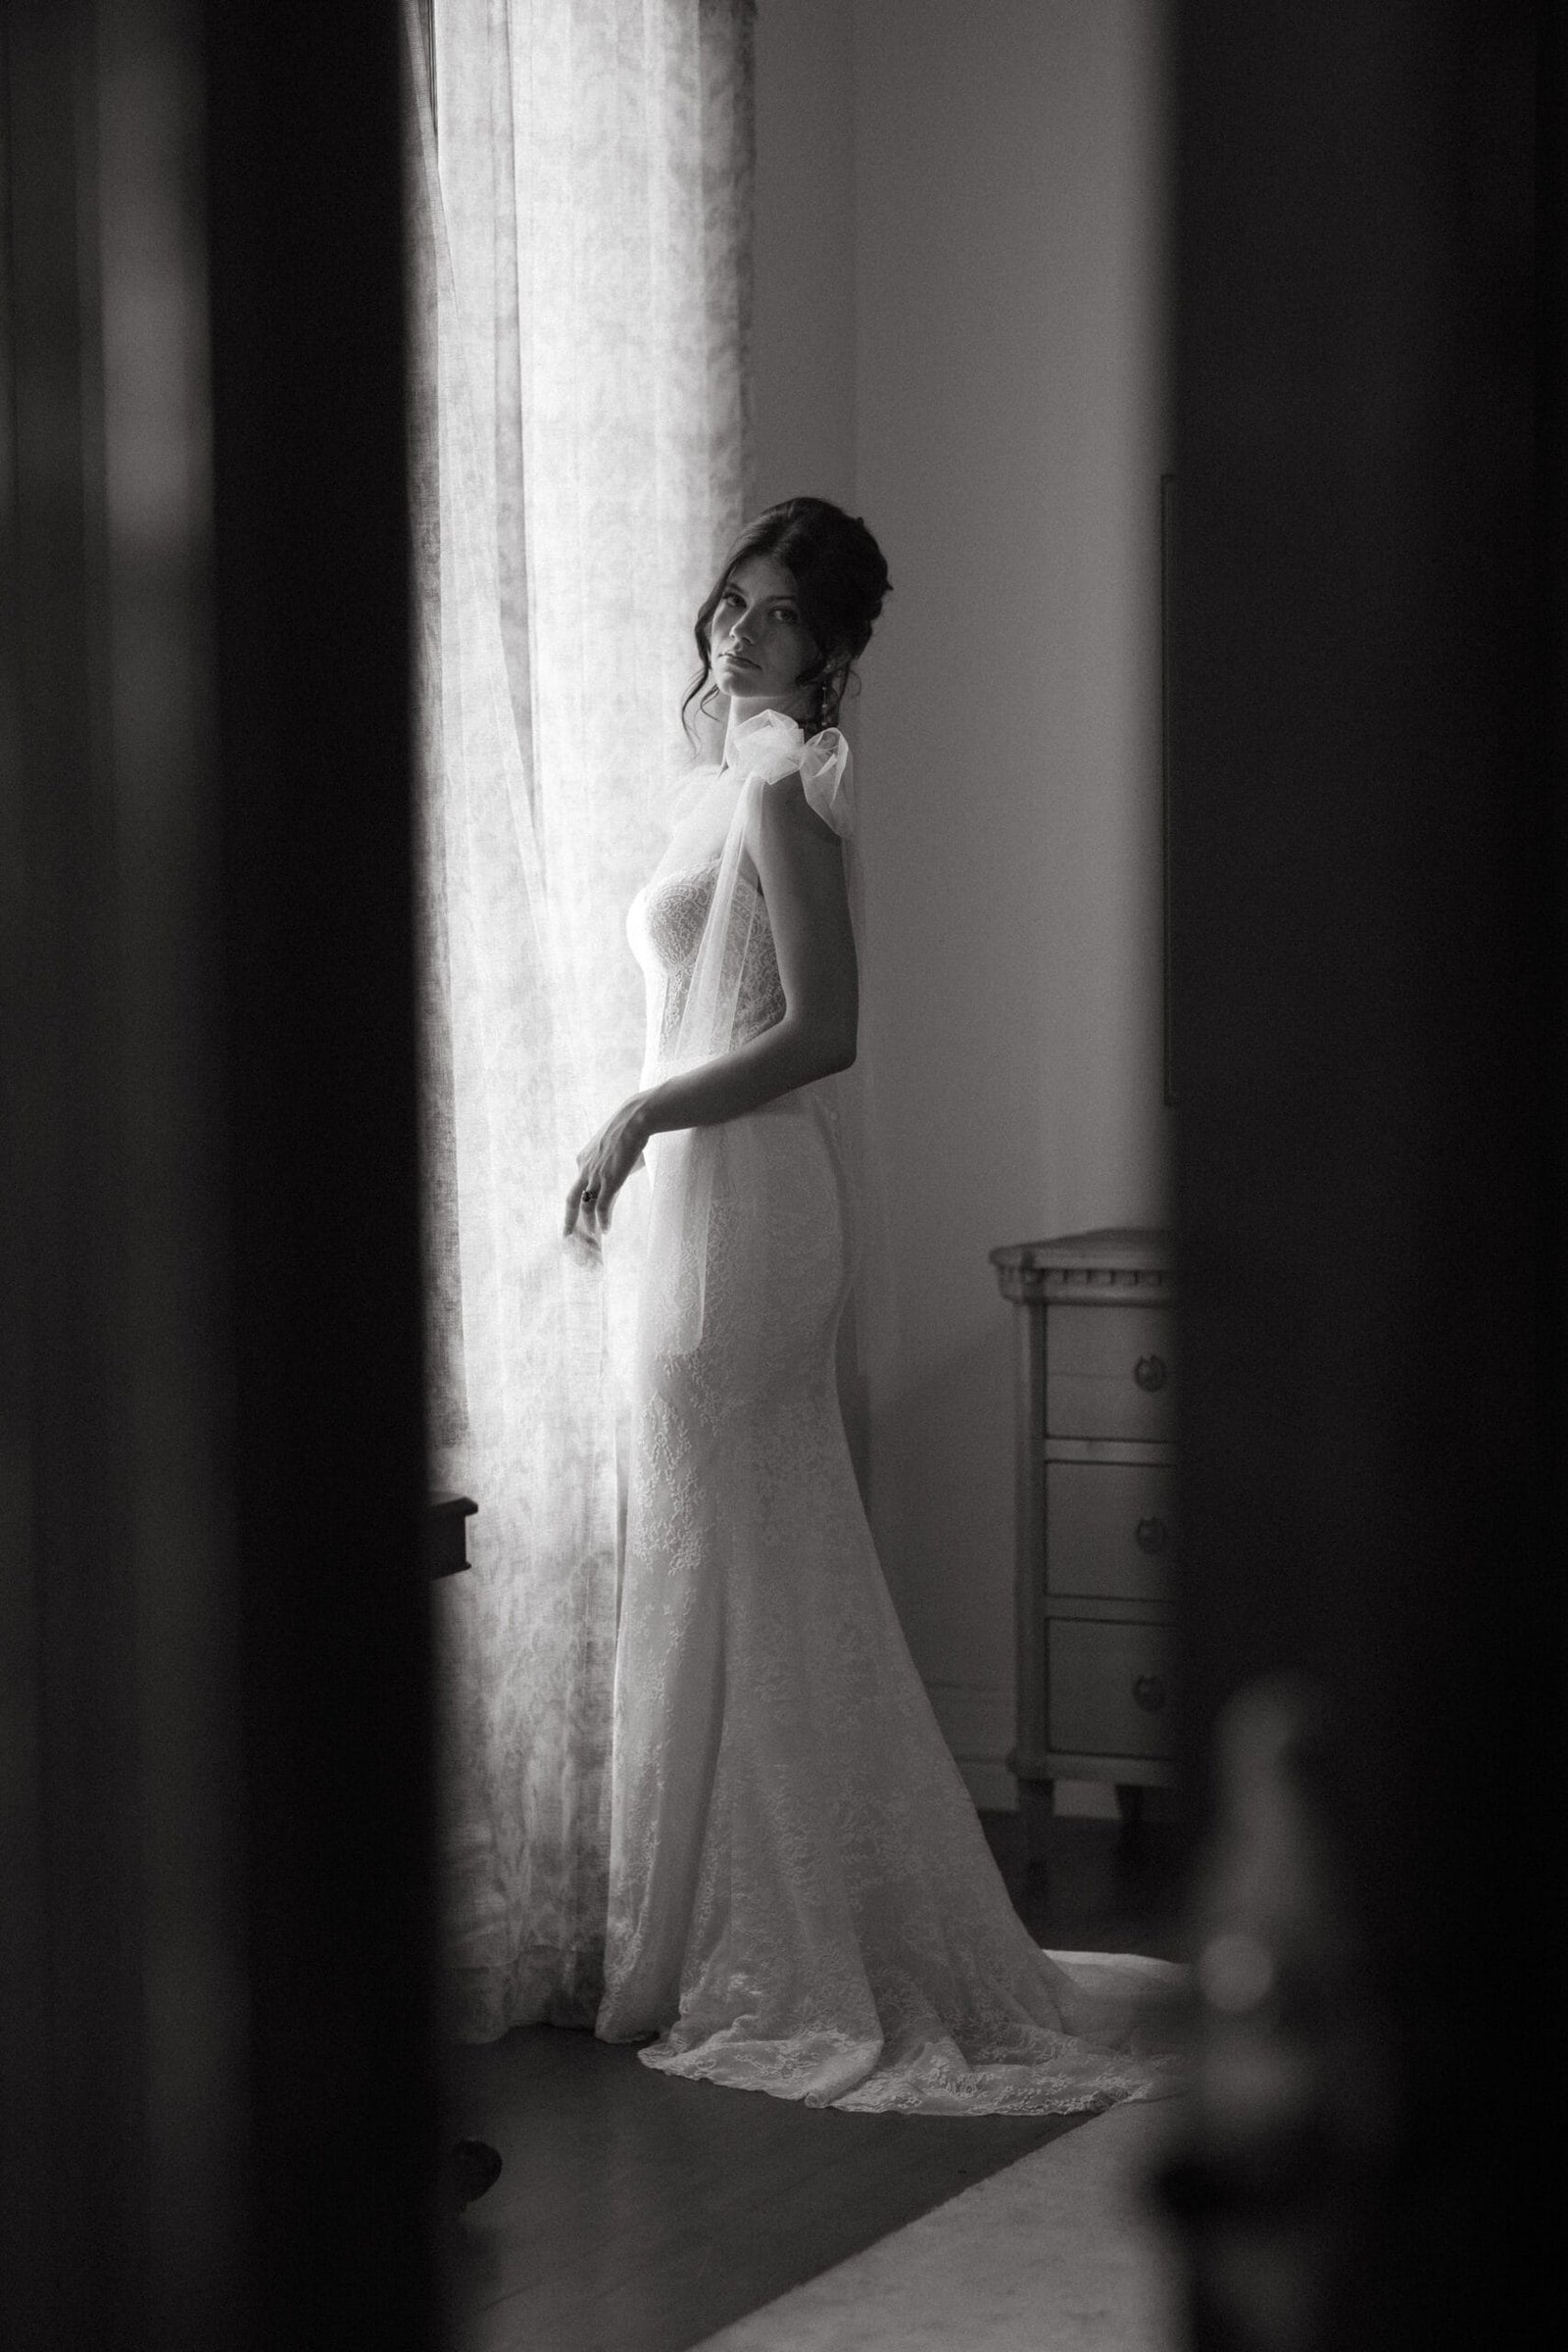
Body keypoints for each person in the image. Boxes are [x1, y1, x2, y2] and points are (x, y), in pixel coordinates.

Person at [565, 497, 1183, 2113]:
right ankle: (690, 1931)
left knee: (746, 1535)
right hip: (704, 1195)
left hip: (751, 1202)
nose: (740, 630)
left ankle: (789, 1942)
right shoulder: (719, 786)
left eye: (777, 618)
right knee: (716, 1539)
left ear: (834, 656)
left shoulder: (785, 787)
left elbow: (827, 1030)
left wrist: (644, 1120)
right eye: (735, 603)